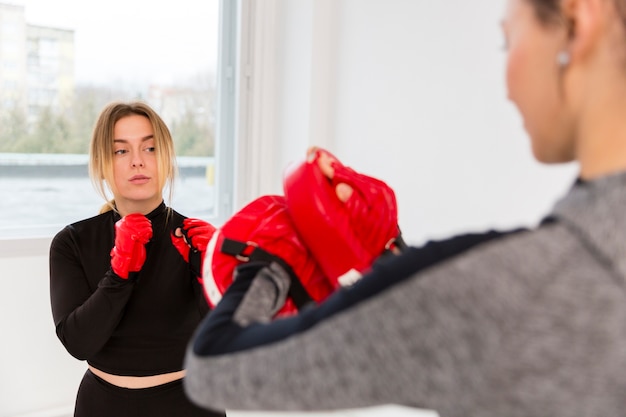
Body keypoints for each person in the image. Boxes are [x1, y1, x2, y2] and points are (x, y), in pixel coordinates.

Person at [183, 0, 626, 416]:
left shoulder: (512, 289)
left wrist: (272, 259)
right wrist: (388, 262)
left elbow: (216, 363)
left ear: (578, 18)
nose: (509, 85)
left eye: (508, 41)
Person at [49, 101, 225, 417]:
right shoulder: (72, 242)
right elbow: (78, 343)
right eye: (121, 151)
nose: (137, 162)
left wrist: (211, 276)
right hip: (103, 407)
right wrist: (119, 273)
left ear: (167, 159)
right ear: (102, 164)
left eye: (150, 148)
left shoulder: (195, 239)